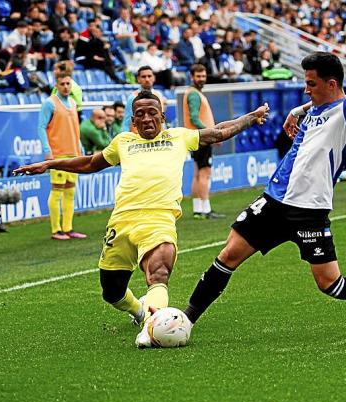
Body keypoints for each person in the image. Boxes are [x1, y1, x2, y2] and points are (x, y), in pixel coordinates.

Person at [181, 5, 346, 340]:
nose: (306, 89)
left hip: (310, 210)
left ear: (331, 83)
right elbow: (312, 104)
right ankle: (184, 322)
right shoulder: (313, 109)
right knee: (227, 256)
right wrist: (299, 108)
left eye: (311, 84)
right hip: (274, 200)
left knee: (331, 285)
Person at [15, 90, 269, 347]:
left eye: (152, 113)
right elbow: (91, 163)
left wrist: (251, 117)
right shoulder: (123, 142)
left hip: (159, 219)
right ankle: (138, 311)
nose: (147, 118)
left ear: (162, 116)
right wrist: (50, 164)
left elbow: (220, 131)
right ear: (134, 121)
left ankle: (151, 329)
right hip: (121, 221)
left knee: (158, 272)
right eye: (140, 115)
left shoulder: (178, 136)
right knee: (111, 292)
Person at [38, 71, 88, 240]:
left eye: (68, 84)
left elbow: (75, 128)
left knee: (70, 192)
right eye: (62, 84)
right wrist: (47, 151)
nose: (66, 87)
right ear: (56, 85)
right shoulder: (49, 104)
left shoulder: (74, 103)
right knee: (57, 191)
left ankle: (68, 228)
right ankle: (55, 230)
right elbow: (41, 127)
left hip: (73, 154)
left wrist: (80, 147)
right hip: (58, 154)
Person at [184, 64, 223, 219]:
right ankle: (205, 210)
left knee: (197, 173)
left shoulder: (193, 93)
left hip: (195, 138)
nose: (201, 79)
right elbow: (194, 118)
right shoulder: (194, 94)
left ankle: (198, 209)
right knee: (204, 173)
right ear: (192, 77)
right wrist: (211, 133)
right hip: (201, 138)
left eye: (203, 76)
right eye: (198, 76)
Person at [122, 66, 166, 132]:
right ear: (138, 79)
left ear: (154, 78)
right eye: (143, 77)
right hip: (138, 137)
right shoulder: (133, 97)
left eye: (149, 76)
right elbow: (127, 122)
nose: (147, 79)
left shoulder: (159, 95)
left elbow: (162, 121)